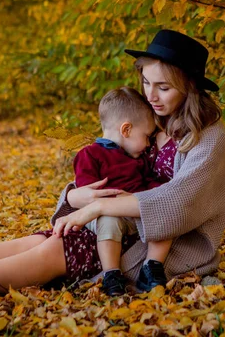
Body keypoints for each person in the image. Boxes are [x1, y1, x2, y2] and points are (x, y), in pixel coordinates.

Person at [0, 29, 225, 296]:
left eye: (163, 88)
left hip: (159, 244)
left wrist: (95, 210)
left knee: (54, 250)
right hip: (113, 225)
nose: (150, 95)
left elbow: (180, 201)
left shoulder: (208, 138)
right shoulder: (152, 122)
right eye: (147, 82)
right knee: (37, 240)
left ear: (190, 89)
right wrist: (76, 200)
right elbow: (104, 166)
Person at [72, 86, 172, 296]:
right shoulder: (89, 155)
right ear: (126, 130)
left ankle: (152, 267)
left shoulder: (138, 159)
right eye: (146, 136)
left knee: (163, 212)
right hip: (103, 214)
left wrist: (160, 195)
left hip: (134, 211)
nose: (148, 144)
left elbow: (150, 183)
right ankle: (112, 273)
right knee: (109, 221)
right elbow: (87, 193)